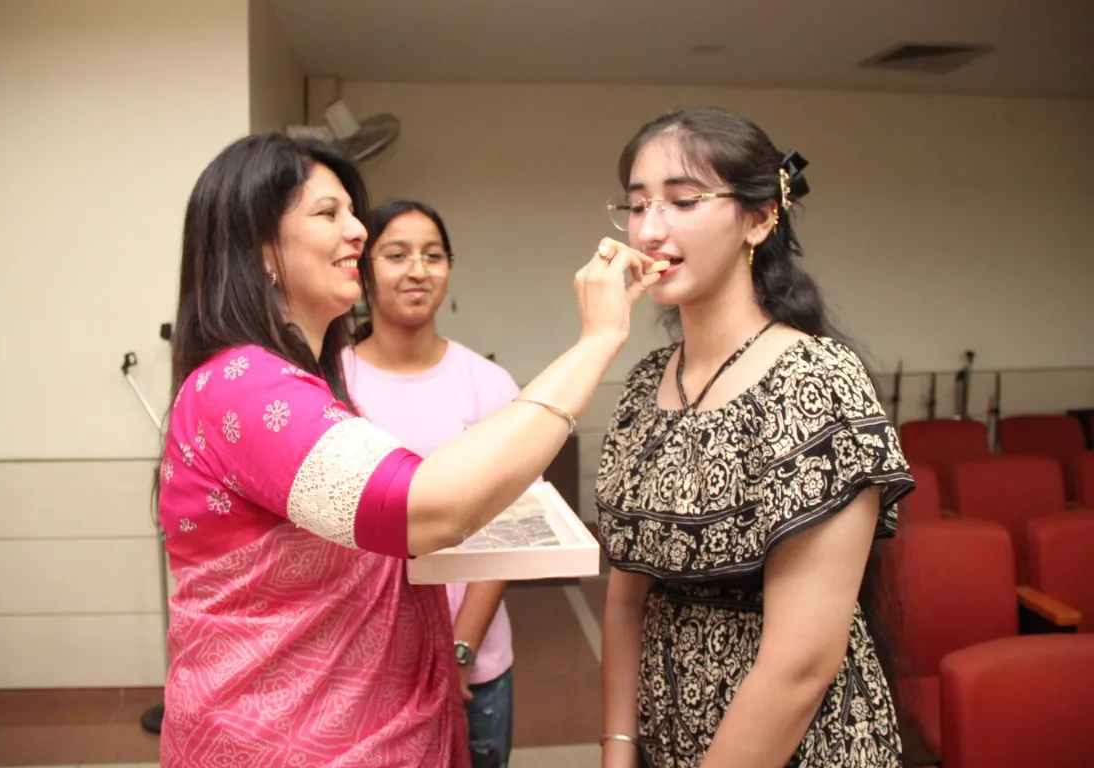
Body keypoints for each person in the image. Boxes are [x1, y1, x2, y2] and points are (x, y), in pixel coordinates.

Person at [155, 132, 660, 767]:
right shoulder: (245, 385)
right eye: (328, 213)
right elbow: (426, 509)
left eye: (353, 212)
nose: (357, 231)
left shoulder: (296, 383)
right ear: (259, 246)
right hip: (286, 741)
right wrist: (597, 340)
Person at [595, 107, 914, 768]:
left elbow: (800, 666)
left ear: (761, 219)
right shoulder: (644, 383)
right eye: (637, 205)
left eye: (683, 201)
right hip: (665, 739)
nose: (650, 230)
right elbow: (626, 598)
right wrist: (618, 746)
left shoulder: (815, 380)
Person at [341, 199, 518, 767]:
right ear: (364, 270)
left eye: (433, 256)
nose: (417, 270)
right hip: (358, 664)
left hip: (476, 663)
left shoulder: (488, 385)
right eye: (396, 255)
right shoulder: (330, 384)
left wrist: (460, 650)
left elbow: (507, 528)